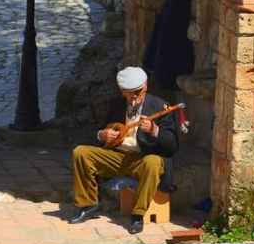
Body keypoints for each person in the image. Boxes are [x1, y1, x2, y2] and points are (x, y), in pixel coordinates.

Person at [69, 66, 179, 234]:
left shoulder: (160, 106)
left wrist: (154, 130)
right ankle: (88, 204)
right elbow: (99, 131)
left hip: (144, 158)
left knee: (153, 162)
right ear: (122, 91)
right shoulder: (117, 105)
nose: (135, 97)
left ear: (146, 86)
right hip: (118, 156)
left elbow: (172, 146)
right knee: (81, 152)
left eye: (139, 92)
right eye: (130, 93)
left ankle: (138, 215)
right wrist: (102, 135)